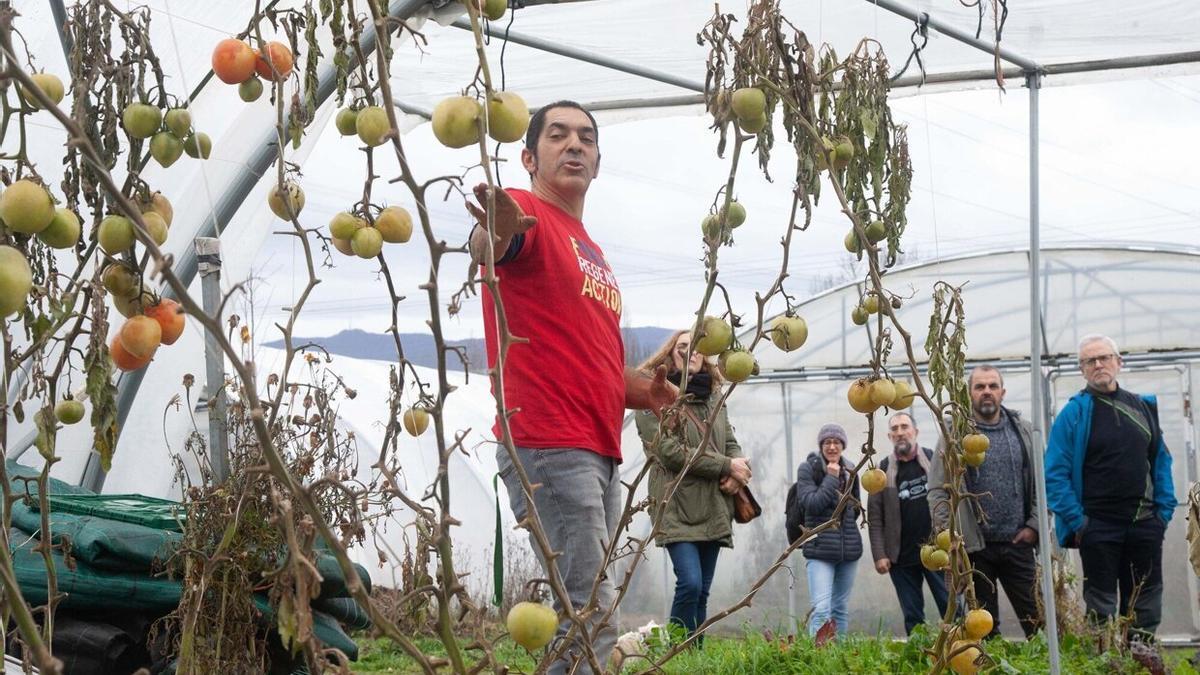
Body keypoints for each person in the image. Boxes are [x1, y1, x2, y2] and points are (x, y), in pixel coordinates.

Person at [470, 101, 675, 673]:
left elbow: (584, 359)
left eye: (586, 137)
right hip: (549, 442)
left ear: (598, 163)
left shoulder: (591, 248)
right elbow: (497, 242)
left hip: (594, 445)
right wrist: (496, 230)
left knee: (584, 608)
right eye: (558, 136)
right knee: (590, 612)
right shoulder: (529, 216)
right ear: (529, 156)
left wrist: (641, 390)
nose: (575, 145)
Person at [1045, 334, 1177, 638]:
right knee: (1100, 606)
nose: (1098, 364)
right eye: (1090, 361)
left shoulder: (1142, 408)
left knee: (1145, 601)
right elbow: (1054, 473)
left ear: (1119, 362)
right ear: (1082, 369)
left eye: (1104, 357)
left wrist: (1163, 514)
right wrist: (1079, 522)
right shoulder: (1074, 414)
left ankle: (1142, 659)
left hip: (1144, 524)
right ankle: (1106, 664)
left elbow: (1161, 461)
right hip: (1098, 527)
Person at [633, 330, 752, 643]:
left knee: (702, 592)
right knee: (690, 584)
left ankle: (694, 655)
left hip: (714, 503)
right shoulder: (651, 395)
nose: (690, 352)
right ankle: (674, 653)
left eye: (696, 346)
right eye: (682, 346)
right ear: (671, 354)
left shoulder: (714, 396)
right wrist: (726, 466)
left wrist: (738, 468)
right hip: (676, 503)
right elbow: (668, 452)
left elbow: (729, 441)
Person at [928, 365, 1043, 639]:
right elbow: (937, 490)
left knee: (1038, 621)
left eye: (992, 386)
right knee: (984, 630)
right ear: (969, 394)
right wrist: (950, 536)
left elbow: (1041, 484)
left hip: (1019, 543)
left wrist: (1035, 526)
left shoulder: (1023, 432)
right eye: (980, 387)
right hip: (975, 548)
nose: (987, 392)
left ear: (1002, 392)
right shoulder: (954, 435)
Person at [868, 412, 950, 635]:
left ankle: (959, 650)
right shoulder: (882, 471)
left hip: (937, 552)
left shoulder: (934, 460)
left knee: (951, 606)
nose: (900, 432)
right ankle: (920, 656)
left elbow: (952, 500)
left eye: (904, 427)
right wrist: (879, 554)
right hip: (901, 557)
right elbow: (875, 517)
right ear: (889, 436)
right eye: (894, 429)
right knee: (913, 615)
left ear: (915, 431)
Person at [793, 423, 862, 637]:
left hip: (848, 551)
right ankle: (819, 660)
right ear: (821, 445)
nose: (832, 447)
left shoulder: (851, 471)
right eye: (827, 442)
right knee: (821, 609)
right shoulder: (808, 468)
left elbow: (855, 508)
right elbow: (810, 504)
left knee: (840, 609)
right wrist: (831, 478)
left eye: (837, 442)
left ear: (843, 445)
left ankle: (838, 657)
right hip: (820, 550)